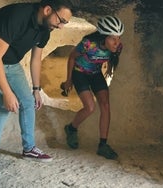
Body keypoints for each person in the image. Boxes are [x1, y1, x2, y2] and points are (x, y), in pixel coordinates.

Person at [0, 0, 72, 178]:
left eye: (65, 23)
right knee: (2, 105)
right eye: (61, 20)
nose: (61, 26)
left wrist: (36, 89)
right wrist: (7, 93)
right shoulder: (17, 16)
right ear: (48, 9)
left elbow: (35, 60)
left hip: (11, 62)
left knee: (28, 102)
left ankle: (29, 148)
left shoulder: (46, 29)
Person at [62, 16, 124, 160]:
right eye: (113, 38)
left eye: (119, 38)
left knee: (105, 105)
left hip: (95, 74)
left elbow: (113, 57)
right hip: (80, 73)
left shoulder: (118, 47)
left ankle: (103, 145)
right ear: (103, 37)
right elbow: (72, 57)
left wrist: (109, 68)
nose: (117, 42)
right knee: (90, 107)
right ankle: (71, 128)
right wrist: (69, 80)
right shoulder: (88, 43)